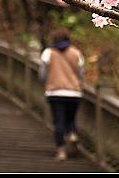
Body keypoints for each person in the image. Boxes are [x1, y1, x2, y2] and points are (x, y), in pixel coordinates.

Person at [39, 28, 85, 161]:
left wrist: (46, 83)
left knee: (59, 120)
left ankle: (61, 151)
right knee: (70, 118)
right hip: (74, 92)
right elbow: (81, 73)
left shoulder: (48, 53)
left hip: (55, 91)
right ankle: (72, 134)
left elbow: (42, 73)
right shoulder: (76, 53)